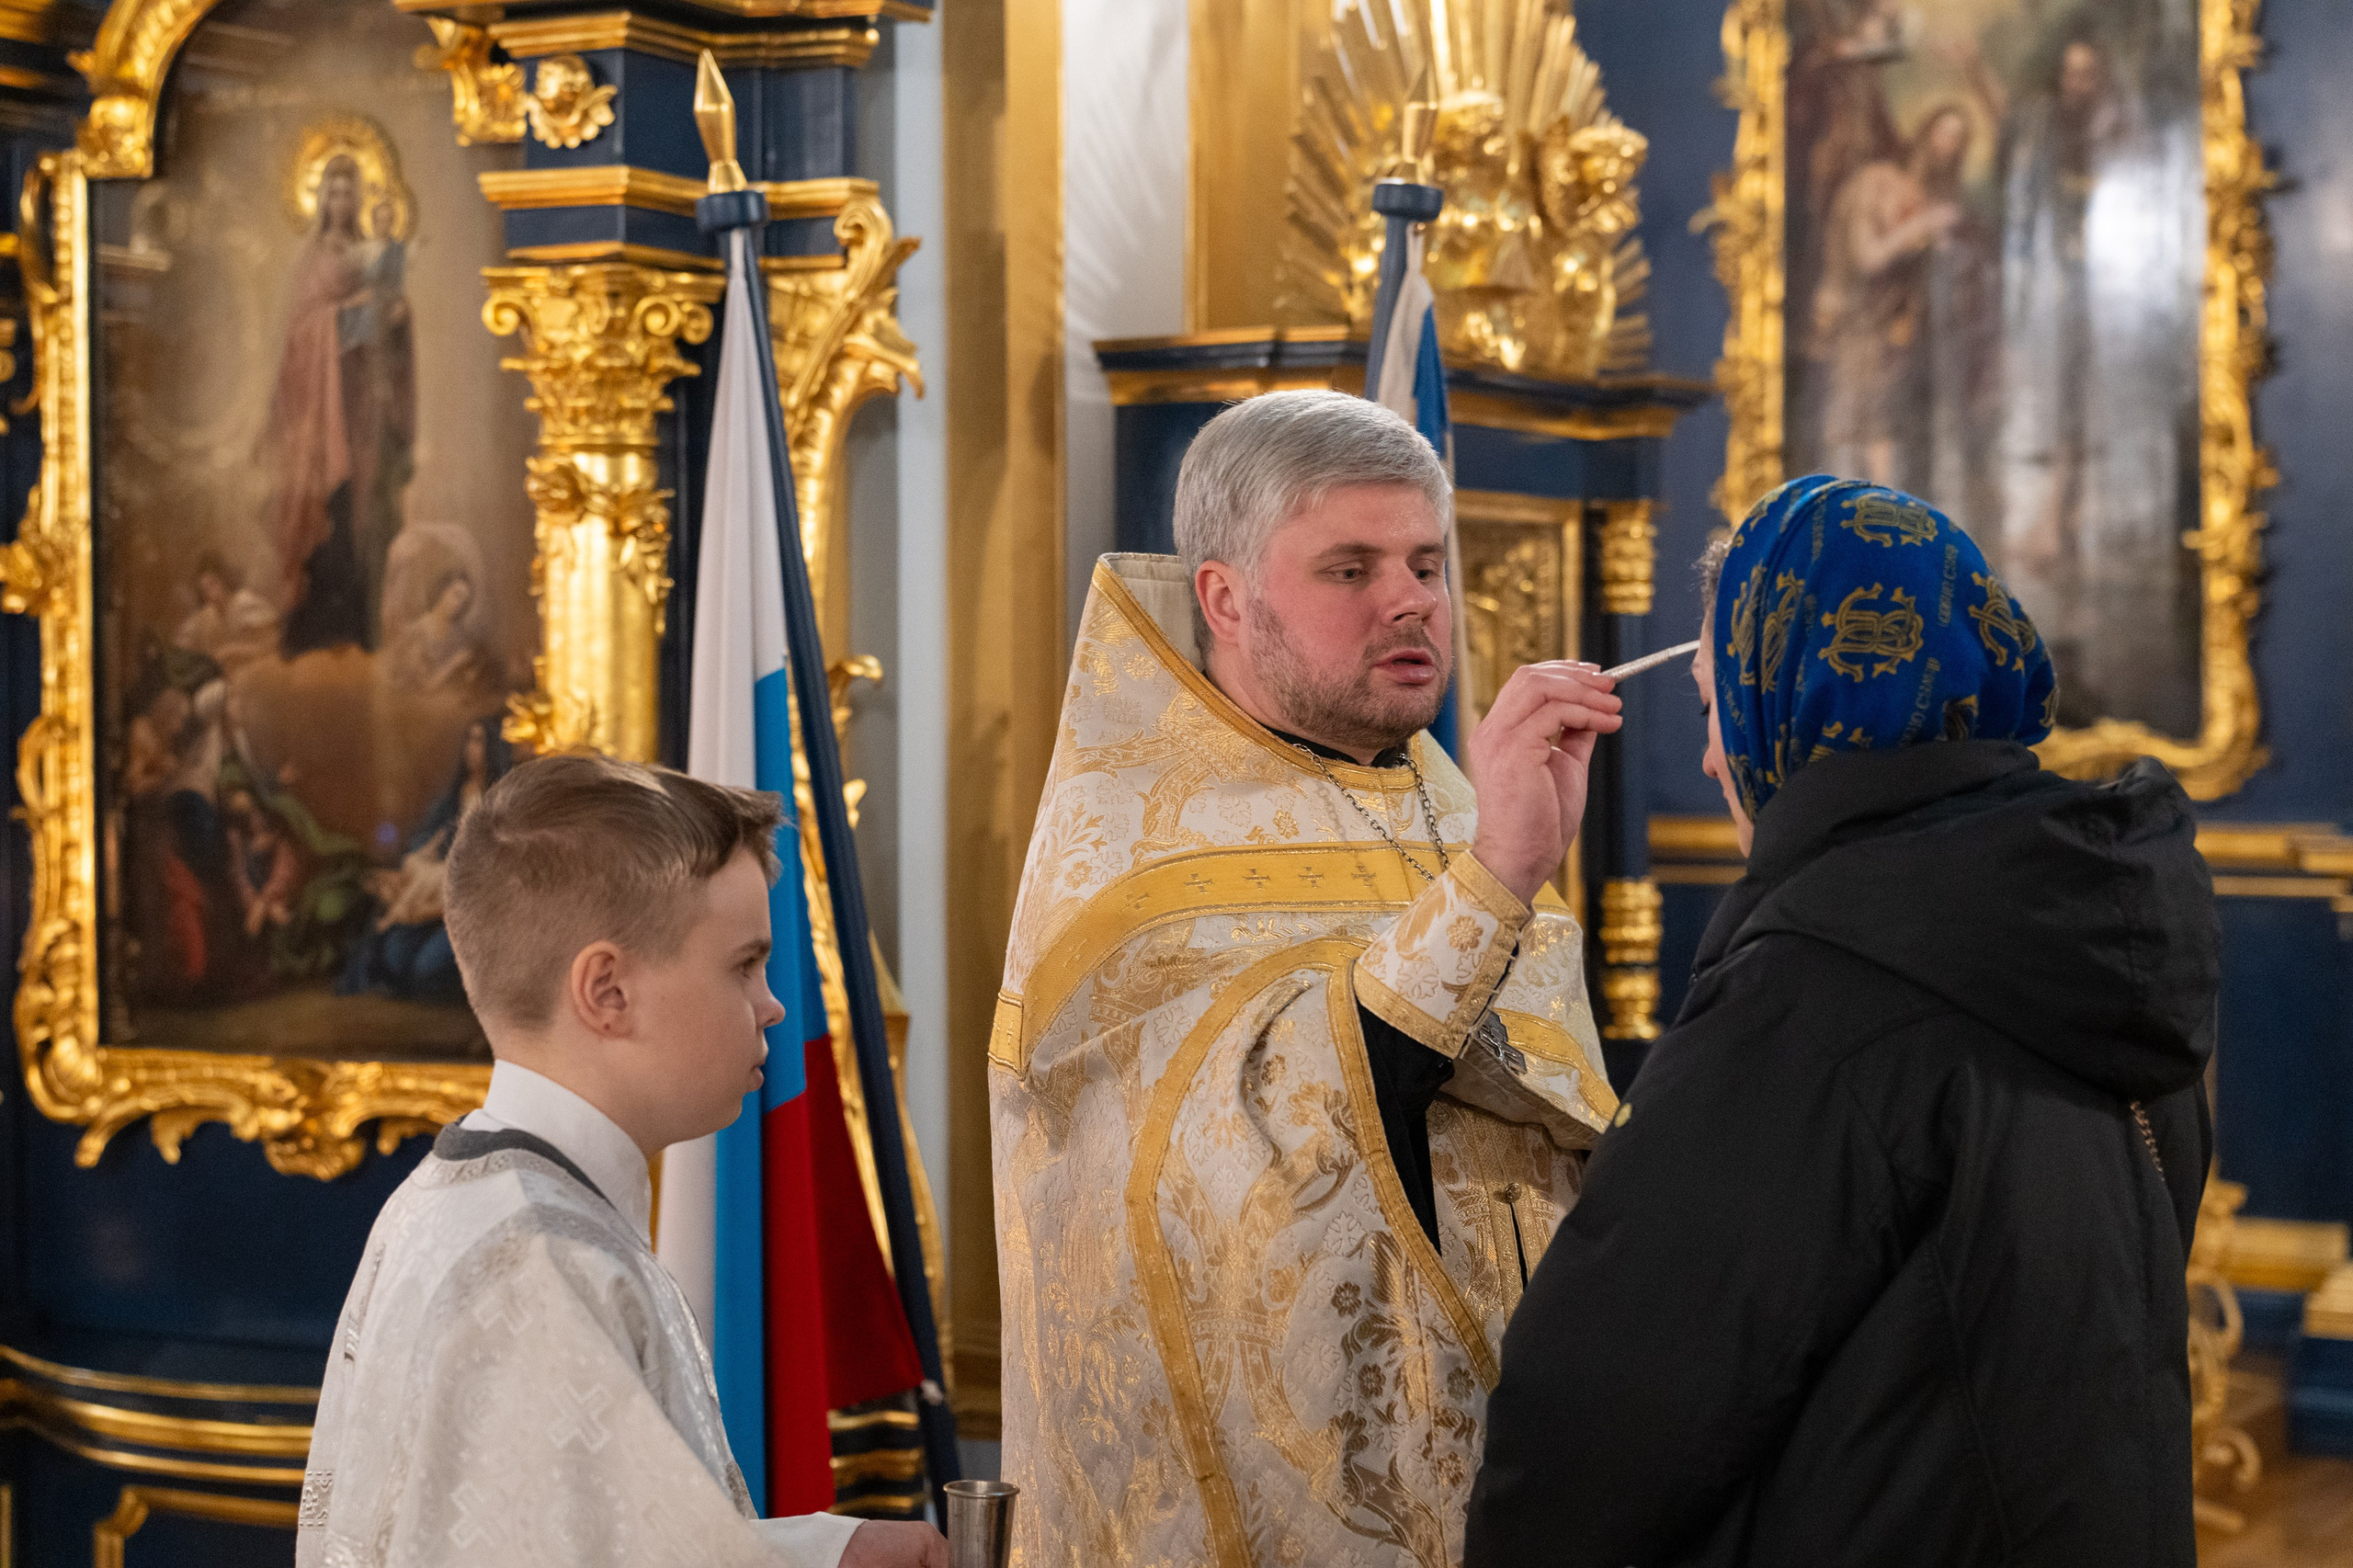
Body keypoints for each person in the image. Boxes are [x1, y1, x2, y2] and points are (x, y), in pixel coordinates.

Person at [1465, 475, 2219, 1568]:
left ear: (1791, 699)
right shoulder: (2100, 916)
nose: (1716, 755)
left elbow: (1604, 1418)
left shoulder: (1817, 990)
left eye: (1720, 707)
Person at [991, 390, 1624, 1566]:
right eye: (1349, 568)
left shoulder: (1448, 803)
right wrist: (1495, 883)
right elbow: (1250, 1144)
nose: (1411, 601)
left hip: (1521, 1465)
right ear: (1225, 597)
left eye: (1426, 563)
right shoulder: (1136, 850)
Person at [299, 753, 948, 1568]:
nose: (772, 1003)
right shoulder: (546, 1269)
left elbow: (588, 1538)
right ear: (607, 991)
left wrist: (828, 1552)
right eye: (743, 965)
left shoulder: (461, 1200)